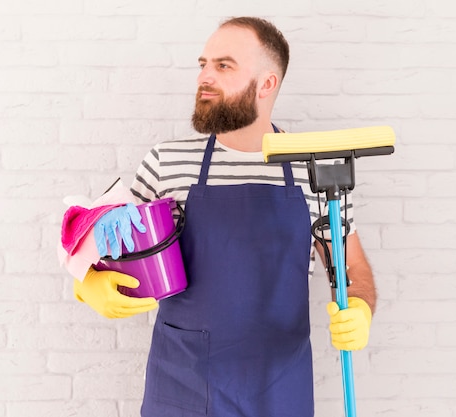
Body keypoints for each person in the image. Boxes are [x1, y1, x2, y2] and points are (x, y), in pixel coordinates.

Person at [73, 16, 375, 417]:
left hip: (278, 385)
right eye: (203, 64)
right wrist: (88, 283)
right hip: (181, 383)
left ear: (266, 83)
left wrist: (360, 308)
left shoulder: (313, 169)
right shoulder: (167, 163)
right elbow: (97, 247)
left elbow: (352, 268)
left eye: (224, 65)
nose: (204, 76)